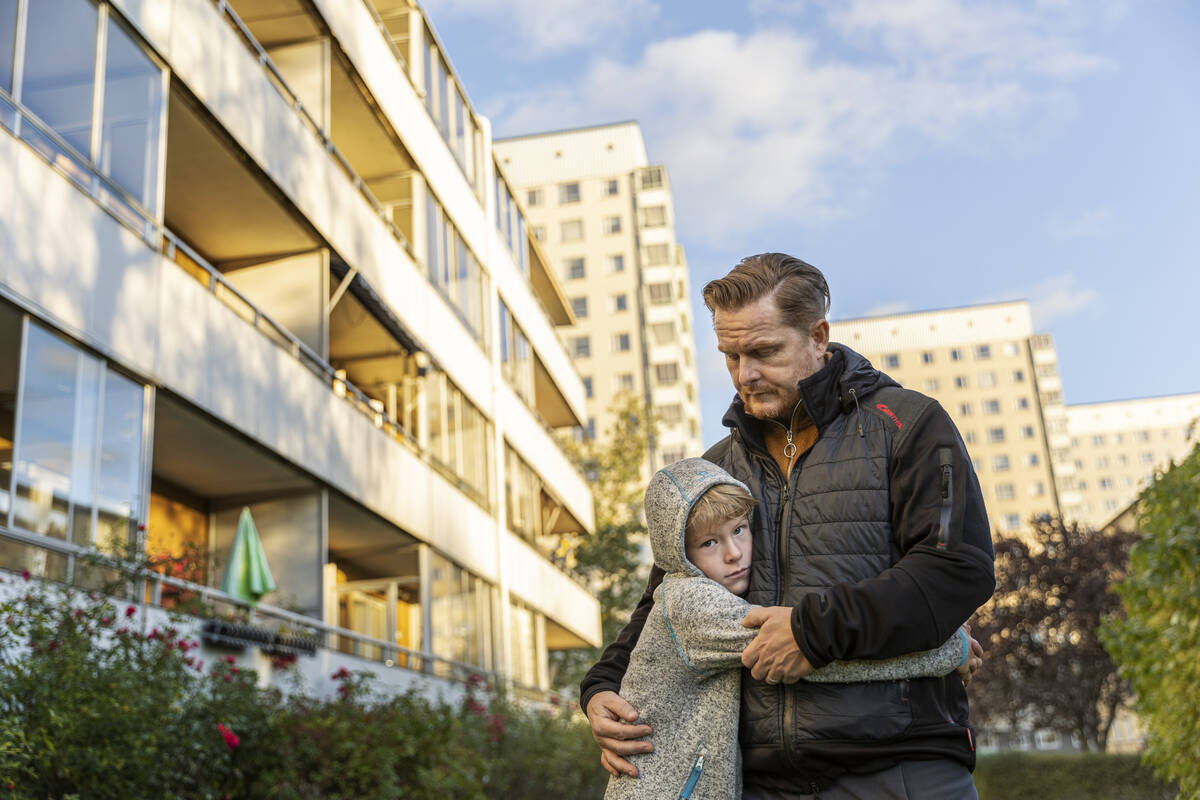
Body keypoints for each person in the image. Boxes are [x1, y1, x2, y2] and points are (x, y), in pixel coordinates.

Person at [583, 253, 995, 798]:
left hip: (901, 765)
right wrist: (601, 687)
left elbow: (956, 570)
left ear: (817, 335)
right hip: (755, 780)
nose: (744, 374)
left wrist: (812, 631)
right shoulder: (717, 467)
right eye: (730, 355)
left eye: (763, 351)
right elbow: (667, 596)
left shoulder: (910, 424)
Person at [605, 456, 973, 800]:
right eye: (709, 542)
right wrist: (949, 652)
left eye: (739, 529)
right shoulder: (693, 604)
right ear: (678, 554)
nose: (733, 553)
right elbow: (825, 658)